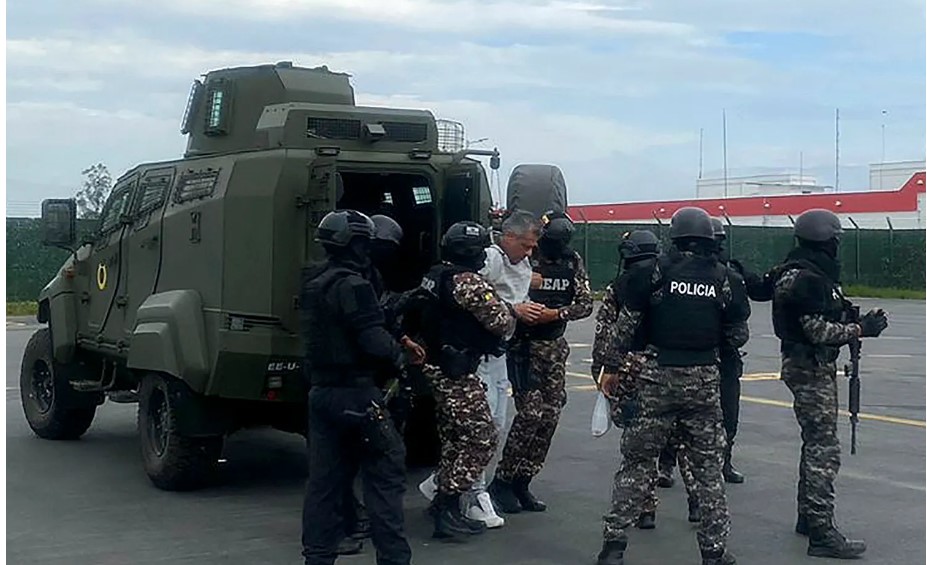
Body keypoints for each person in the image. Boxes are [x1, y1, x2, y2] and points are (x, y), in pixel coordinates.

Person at [595, 207, 750, 565]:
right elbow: (738, 333)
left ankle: (613, 546)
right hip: (703, 380)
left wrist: (613, 368)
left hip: (655, 376)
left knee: (636, 463)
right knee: (708, 468)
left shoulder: (651, 273)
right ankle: (713, 552)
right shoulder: (725, 278)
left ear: (674, 236)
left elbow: (625, 329)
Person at [299, 209, 423, 565]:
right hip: (358, 395)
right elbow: (372, 341)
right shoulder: (355, 285)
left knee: (324, 484)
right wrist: (399, 355)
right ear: (356, 243)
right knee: (385, 478)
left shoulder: (314, 282)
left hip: (322, 394)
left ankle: (318, 558)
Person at [770, 208, 888, 559]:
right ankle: (822, 532)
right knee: (824, 450)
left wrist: (849, 315)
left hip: (803, 364)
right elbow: (817, 331)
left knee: (814, 444)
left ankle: (809, 517)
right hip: (810, 367)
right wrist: (860, 329)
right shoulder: (808, 278)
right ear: (826, 240)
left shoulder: (798, 271)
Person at [418, 209, 543, 529]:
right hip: (468, 361)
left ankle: (447, 499)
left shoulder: (438, 274)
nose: (529, 253)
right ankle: (458, 495)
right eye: (526, 246)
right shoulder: (476, 272)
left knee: (467, 431)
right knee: (482, 434)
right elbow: (498, 319)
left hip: (464, 358)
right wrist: (514, 311)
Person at [489, 210, 593, 513]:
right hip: (523, 346)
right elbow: (497, 289)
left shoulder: (571, 261)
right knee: (530, 414)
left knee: (550, 416)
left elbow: (584, 303)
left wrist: (556, 314)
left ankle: (524, 480)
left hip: (553, 346)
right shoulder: (521, 257)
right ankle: (503, 480)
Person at [333, 213, 415, 557]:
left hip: (358, 380)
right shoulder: (351, 281)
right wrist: (395, 352)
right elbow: (369, 329)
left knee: (354, 458)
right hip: (351, 382)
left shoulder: (361, 275)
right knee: (350, 460)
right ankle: (345, 522)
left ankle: (351, 519)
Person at [591, 229, 662, 530]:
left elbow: (606, 329)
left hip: (630, 366)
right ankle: (697, 504)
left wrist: (603, 370)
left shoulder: (622, 285)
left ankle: (643, 506)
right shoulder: (667, 280)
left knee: (636, 443)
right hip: (666, 367)